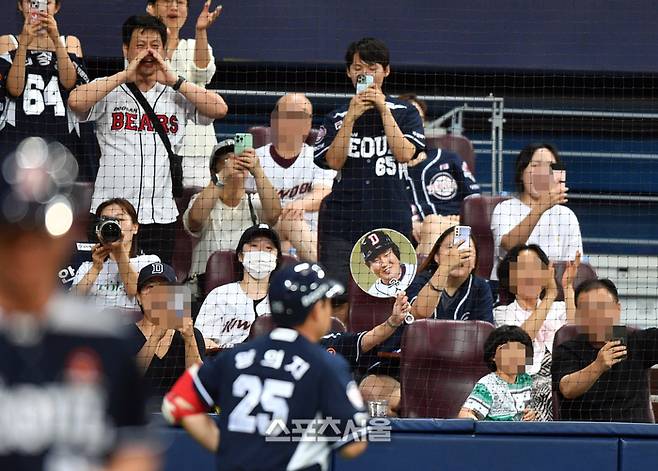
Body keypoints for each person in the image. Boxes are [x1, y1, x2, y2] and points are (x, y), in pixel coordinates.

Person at [0, 137, 156, 469]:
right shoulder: (87, 267)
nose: (29, 249)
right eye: (15, 233)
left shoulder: (151, 268)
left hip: (142, 336)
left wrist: (121, 256)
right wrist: (98, 265)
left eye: (41, 233)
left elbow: (133, 453)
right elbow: (73, 297)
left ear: (67, 234)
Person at [163, 262, 368, 469]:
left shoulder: (236, 356)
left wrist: (226, 446)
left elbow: (177, 403)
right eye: (327, 302)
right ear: (316, 310)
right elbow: (354, 445)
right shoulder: (326, 365)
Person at [68, 15, 228, 265]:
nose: (148, 52)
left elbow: (219, 109)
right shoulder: (109, 89)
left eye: (155, 45)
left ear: (164, 50)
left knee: (156, 295)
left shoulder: (176, 94)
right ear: (125, 49)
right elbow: (75, 102)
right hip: (111, 216)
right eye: (141, 45)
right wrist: (124, 75)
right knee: (104, 289)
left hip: (160, 217)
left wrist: (176, 81)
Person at [314, 37, 425, 288]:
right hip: (342, 222)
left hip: (391, 219)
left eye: (373, 68)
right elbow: (333, 161)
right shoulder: (335, 117)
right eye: (358, 68)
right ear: (348, 72)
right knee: (336, 297)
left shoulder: (405, 112)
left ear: (386, 71)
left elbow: (404, 154)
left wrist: (383, 109)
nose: (365, 74)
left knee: (391, 293)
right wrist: (351, 117)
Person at [552, 279, 658, 422]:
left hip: (633, 434)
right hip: (585, 435)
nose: (596, 316)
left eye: (602, 307)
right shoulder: (568, 348)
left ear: (618, 309)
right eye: (587, 310)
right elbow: (567, 388)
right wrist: (598, 365)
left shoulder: (638, 341)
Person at [495, 244, 579, 421]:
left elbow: (576, 335)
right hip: (526, 384)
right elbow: (520, 342)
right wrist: (550, 295)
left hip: (565, 378)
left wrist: (568, 287)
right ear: (510, 277)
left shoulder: (560, 308)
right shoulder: (502, 313)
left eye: (537, 267)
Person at [184, 139, 281, 285]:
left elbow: (274, 215)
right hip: (204, 286)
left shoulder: (255, 201)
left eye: (240, 158)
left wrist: (258, 170)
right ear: (214, 170)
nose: (235, 163)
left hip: (248, 284)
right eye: (227, 160)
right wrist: (222, 177)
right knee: (176, 298)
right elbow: (195, 220)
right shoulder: (201, 199)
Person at [146, 0, 222, 187]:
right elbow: (150, 76)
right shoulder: (140, 48)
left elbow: (203, 74)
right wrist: (165, 39)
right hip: (154, 147)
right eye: (166, 1)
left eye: (180, 2)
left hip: (197, 147)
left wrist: (201, 31)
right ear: (151, 7)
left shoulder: (193, 45)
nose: (174, 7)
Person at [0, 0, 89, 157]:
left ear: (57, 7)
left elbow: (69, 83)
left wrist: (55, 39)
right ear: (20, 5)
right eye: (31, 2)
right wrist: (23, 45)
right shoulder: (6, 41)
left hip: (62, 138)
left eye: (46, 2)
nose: (39, 8)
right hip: (18, 136)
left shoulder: (70, 42)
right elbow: (14, 89)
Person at [257, 93, 335, 261]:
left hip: (309, 235)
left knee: (291, 229)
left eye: (304, 117)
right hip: (267, 234)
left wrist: (299, 204)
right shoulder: (255, 158)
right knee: (290, 221)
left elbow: (324, 193)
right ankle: (325, 274)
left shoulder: (320, 156)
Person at [490, 143, 583, 279]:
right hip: (510, 291)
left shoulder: (567, 216)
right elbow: (509, 246)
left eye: (549, 166)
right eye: (535, 166)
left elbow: (572, 267)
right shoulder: (505, 208)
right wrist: (541, 207)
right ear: (521, 173)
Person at [195, 224, 281, 351]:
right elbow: (201, 340)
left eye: (268, 248)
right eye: (254, 246)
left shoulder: (283, 299)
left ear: (276, 259)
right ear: (241, 256)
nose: (261, 252)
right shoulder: (220, 295)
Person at [130, 262, 204, 399]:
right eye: (150, 287)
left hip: (178, 414)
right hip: (138, 414)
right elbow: (128, 379)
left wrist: (189, 338)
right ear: (139, 297)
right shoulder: (126, 334)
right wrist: (155, 337)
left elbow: (199, 384)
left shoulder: (191, 333)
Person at [71, 198, 161, 310]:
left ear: (135, 227)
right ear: (98, 229)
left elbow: (135, 292)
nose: (112, 225)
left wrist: (120, 253)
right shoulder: (88, 267)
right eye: (105, 220)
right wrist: (95, 268)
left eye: (119, 219)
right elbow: (71, 303)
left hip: (134, 326)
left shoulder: (149, 262)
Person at [407, 226, 492, 323]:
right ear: (436, 257)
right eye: (451, 248)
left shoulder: (481, 288)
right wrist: (446, 266)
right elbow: (418, 314)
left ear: (475, 262)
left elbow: (484, 332)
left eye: (466, 250)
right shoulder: (420, 280)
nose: (458, 255)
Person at [405, 148, 480, 257]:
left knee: (432, 224)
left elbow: (475, 199)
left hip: (460, 229)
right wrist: (409, 224)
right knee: (431, 224)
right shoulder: (388, 170)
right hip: (414, 237)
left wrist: (464, 218)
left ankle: (421, 272)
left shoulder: (449, 158)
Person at [459, 325, 537, 421]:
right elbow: (464, 414)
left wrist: (532, 414)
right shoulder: (487, 385)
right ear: (493, 356)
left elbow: (531, 409)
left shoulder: (527, 380)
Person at [359, 229, 416, 298]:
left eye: (386, 254)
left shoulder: (416, 270)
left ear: (396, 252)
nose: (384, 264)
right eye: (375, 260)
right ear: (369, 267)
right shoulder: (373, 293)